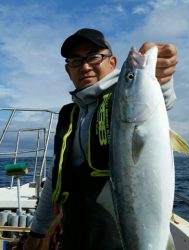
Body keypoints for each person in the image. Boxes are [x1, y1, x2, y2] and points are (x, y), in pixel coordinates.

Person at [23, 28, 178, 250]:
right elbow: (56, 177)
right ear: (68, 70)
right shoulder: (69, 115)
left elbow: (159, 99)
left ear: (112, 63)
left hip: (118, 240)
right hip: (73, 237)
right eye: (76, 60)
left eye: (94, 57)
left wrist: (162, 76)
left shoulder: (121, 97)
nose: (85, 66)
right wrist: (37, 232)